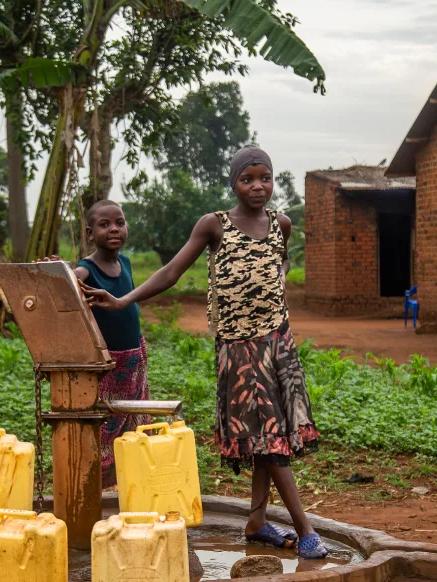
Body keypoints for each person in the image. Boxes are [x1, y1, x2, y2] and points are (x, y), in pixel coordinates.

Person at [81, 148, 327, 558]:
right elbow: (170, 273)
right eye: (247, 179)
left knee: (271, 438)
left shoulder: (281, 224)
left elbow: (279, 266)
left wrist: (272, 290)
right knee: (269, 438)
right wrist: (124, 301)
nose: (257, 186)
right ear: (233, 183)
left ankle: (257, 521)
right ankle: (305, 528)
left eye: (264, 178)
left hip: (278, 344)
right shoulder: (214, 225)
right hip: (239, 348)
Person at [74, 199, 150, 489]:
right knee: (107, 424)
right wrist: (61, 272)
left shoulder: (125, 262)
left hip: (134, 358)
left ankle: (128, 480)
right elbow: (71, 280)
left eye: (119, 222)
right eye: (104, 225)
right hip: (108, 363)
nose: (114, 229)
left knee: (134, 418)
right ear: (91, 233)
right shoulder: (86, 269)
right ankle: (98, 486)